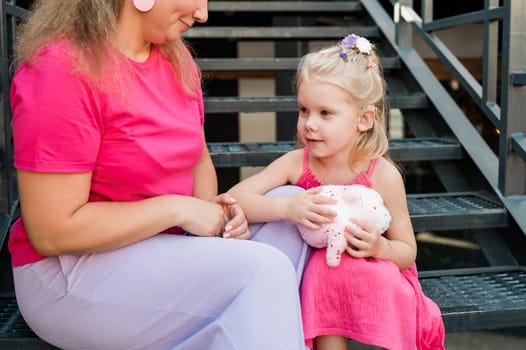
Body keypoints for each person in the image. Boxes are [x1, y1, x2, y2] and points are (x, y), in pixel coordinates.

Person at [8, 1, 309, 349]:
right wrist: (177, 209)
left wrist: (218, 217)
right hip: (67, 273)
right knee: (262, 269)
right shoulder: (62, 68)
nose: (202, 14)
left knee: (292, 215)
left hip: (160, 248)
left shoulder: (175, 60)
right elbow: (52, 232)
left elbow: (198, 163)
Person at [228, 34, 445, 350]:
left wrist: (380, 248)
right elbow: (237, 197)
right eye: (304, 110)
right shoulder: (297, 163)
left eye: (325, 113)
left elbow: (406, 250)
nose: (309, 124)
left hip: (376, 275)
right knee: (321, 275)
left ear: (364, 119)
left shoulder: (382, 175)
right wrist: (286, 209)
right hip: (325, 278)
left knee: (382, 282)